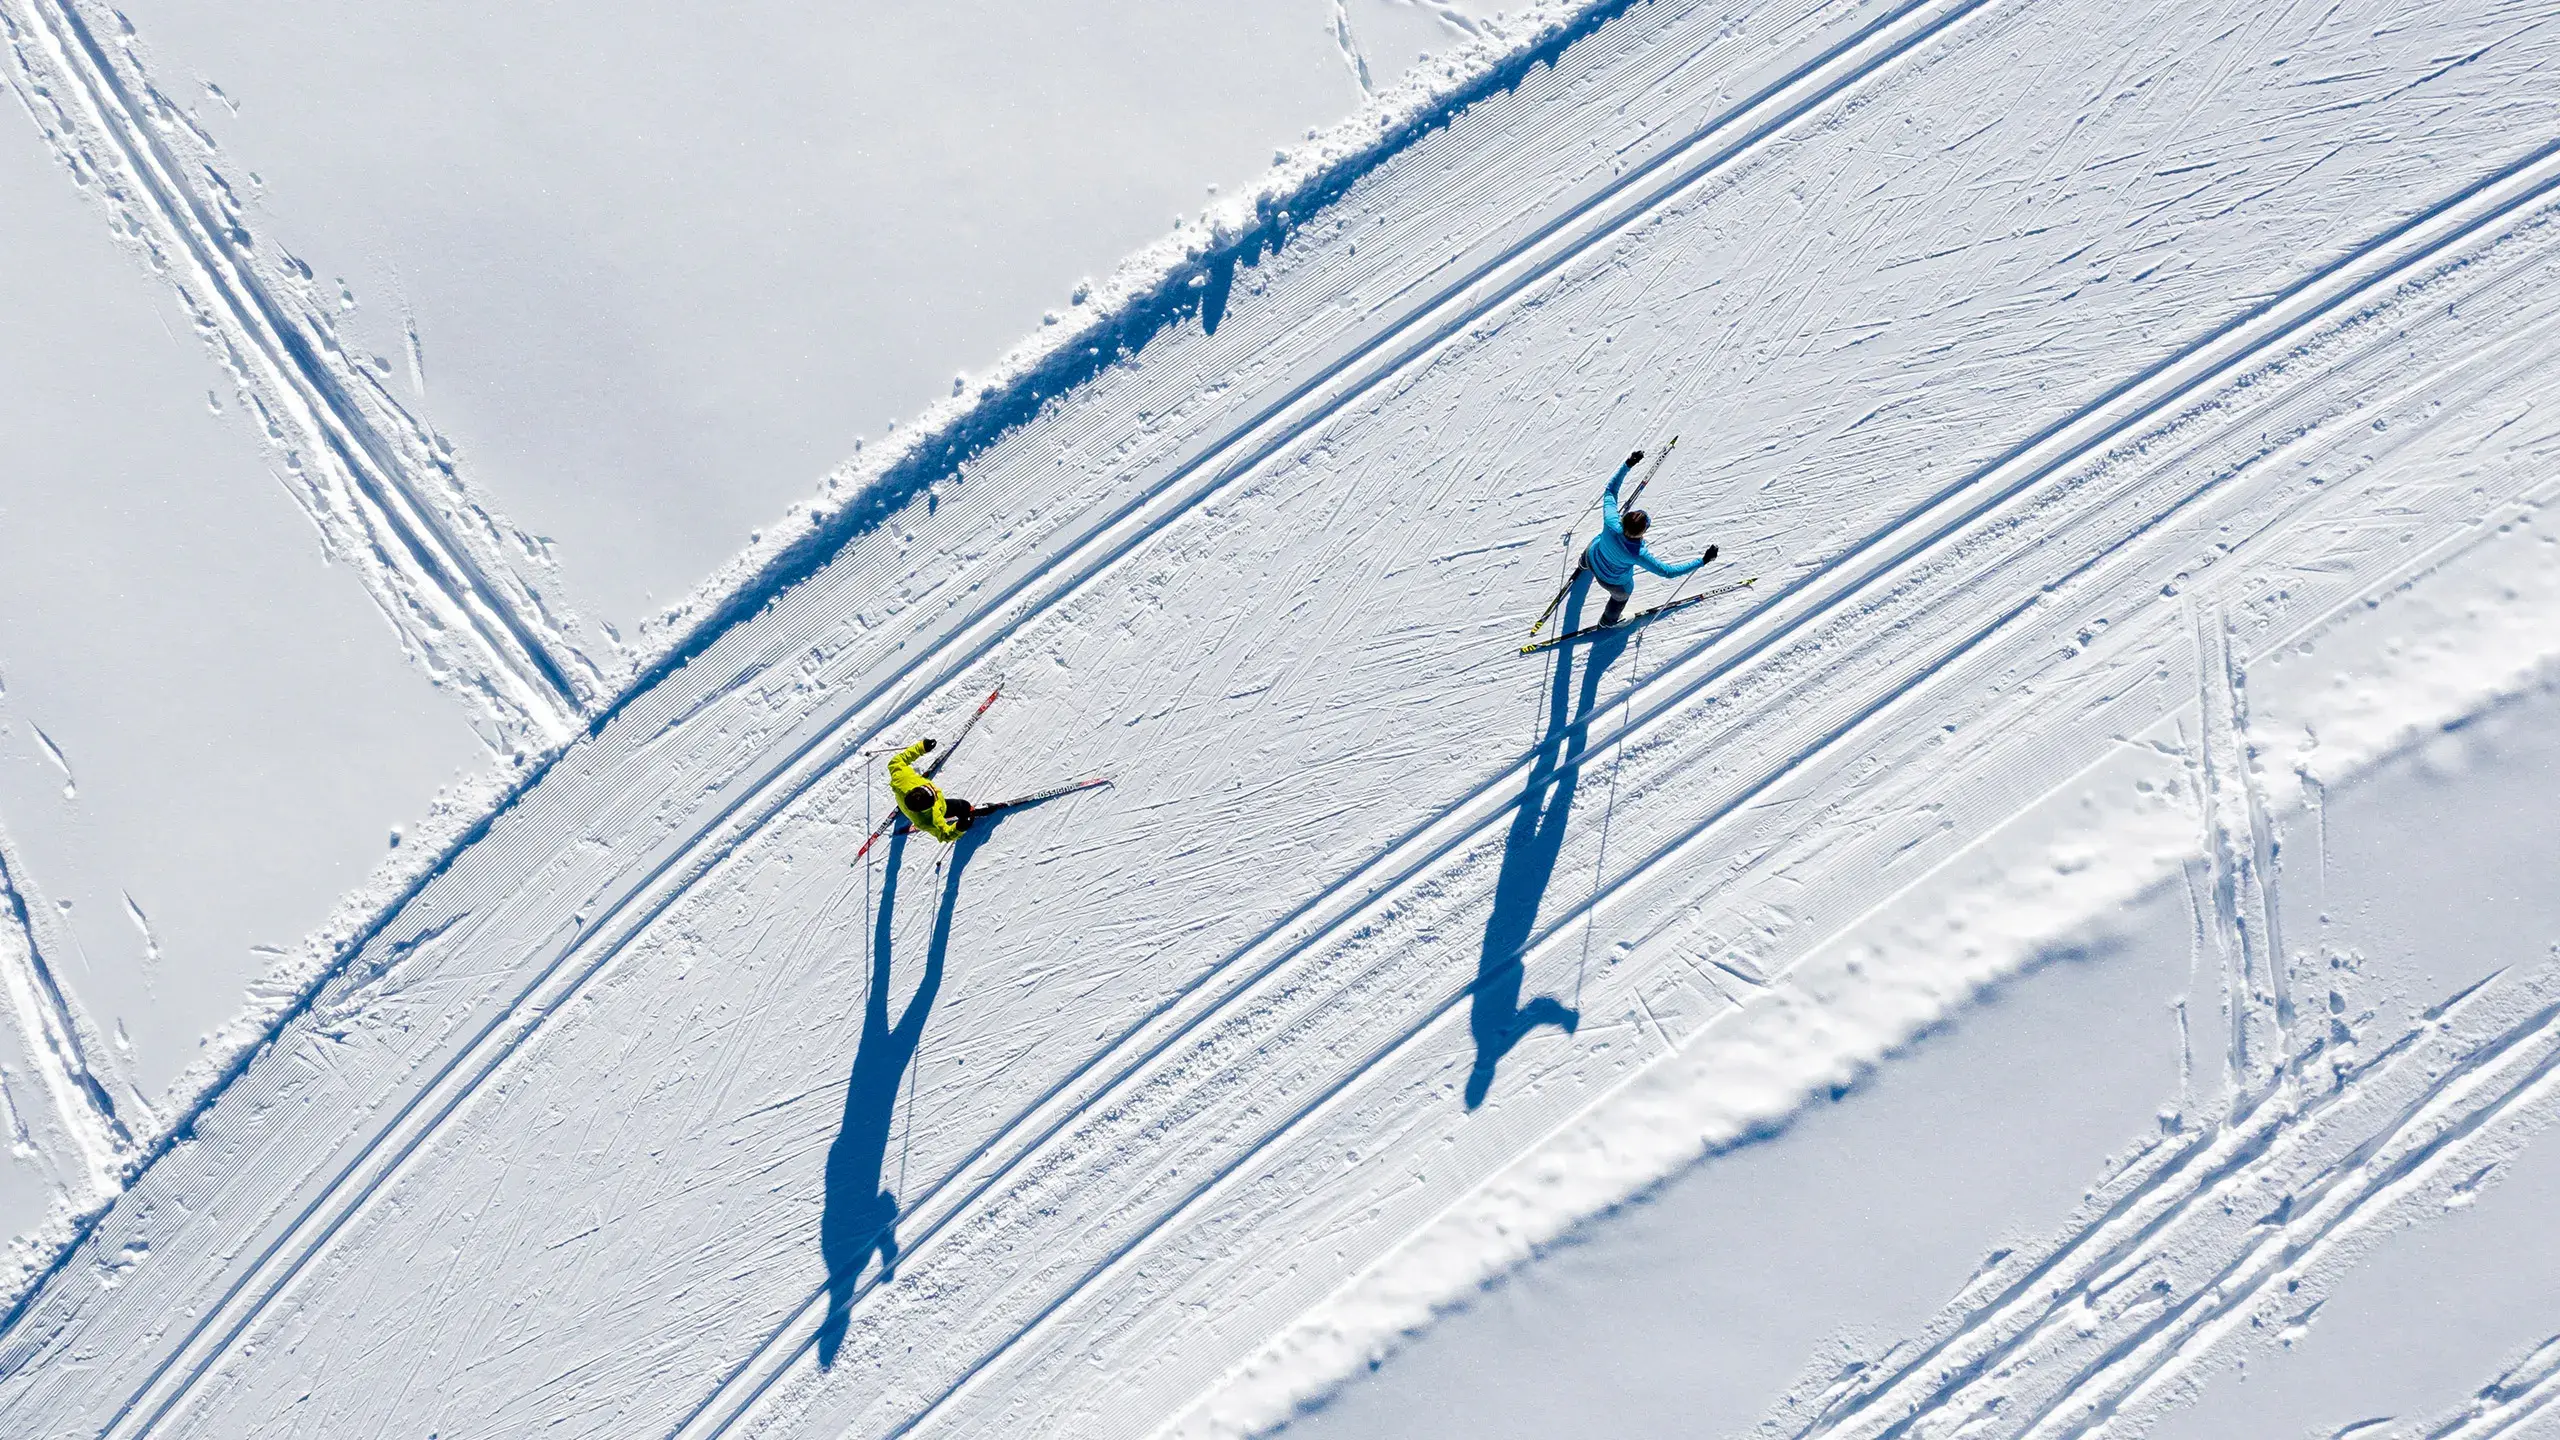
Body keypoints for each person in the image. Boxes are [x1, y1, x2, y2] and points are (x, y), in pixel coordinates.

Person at [1583, 449, 1717, 626]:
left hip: (1593, 558)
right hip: (1612, 582)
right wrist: (1702, 561)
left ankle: (1582, 564)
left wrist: (1628, 465)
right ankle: (1608, 621)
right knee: (1623, 594)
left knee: (1594, 543)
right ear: (1642, 533)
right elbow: (1667, 572)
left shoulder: (1611, 522)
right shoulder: (1638, 553)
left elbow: (1610, 491)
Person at [886, 738, 976, 841]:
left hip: (903, 803)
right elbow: (945, 835)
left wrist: (921, 747)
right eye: (934, 797)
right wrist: (960, 828)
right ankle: (966, 812)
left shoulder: (902, 778)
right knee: (963, 806)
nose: (935, 791)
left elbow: (896, 761)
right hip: (941, 808)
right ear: (928, 807)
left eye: (927, 788)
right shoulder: (931, 819)